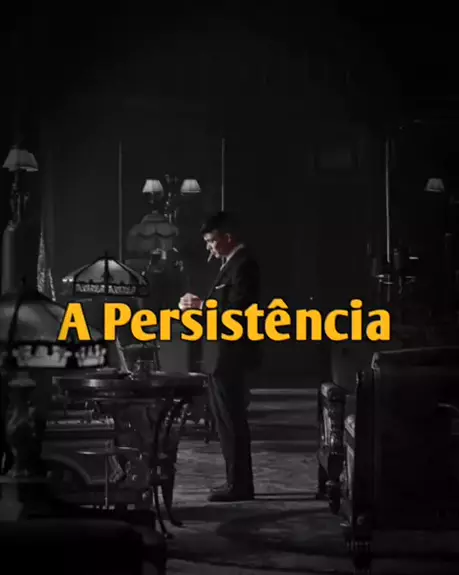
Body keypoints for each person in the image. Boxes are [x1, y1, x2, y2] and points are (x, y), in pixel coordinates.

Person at [179, 211, 261, 502]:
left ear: (228, 237)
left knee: (231, 420)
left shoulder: (244, 265)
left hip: (230, 355)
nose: (209, 247)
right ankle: (236, 482)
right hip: (221, 355)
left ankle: (239, 485)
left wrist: (201, 306)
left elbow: (239, 312)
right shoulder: (231, 264)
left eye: (212, 241)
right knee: (226, 422)